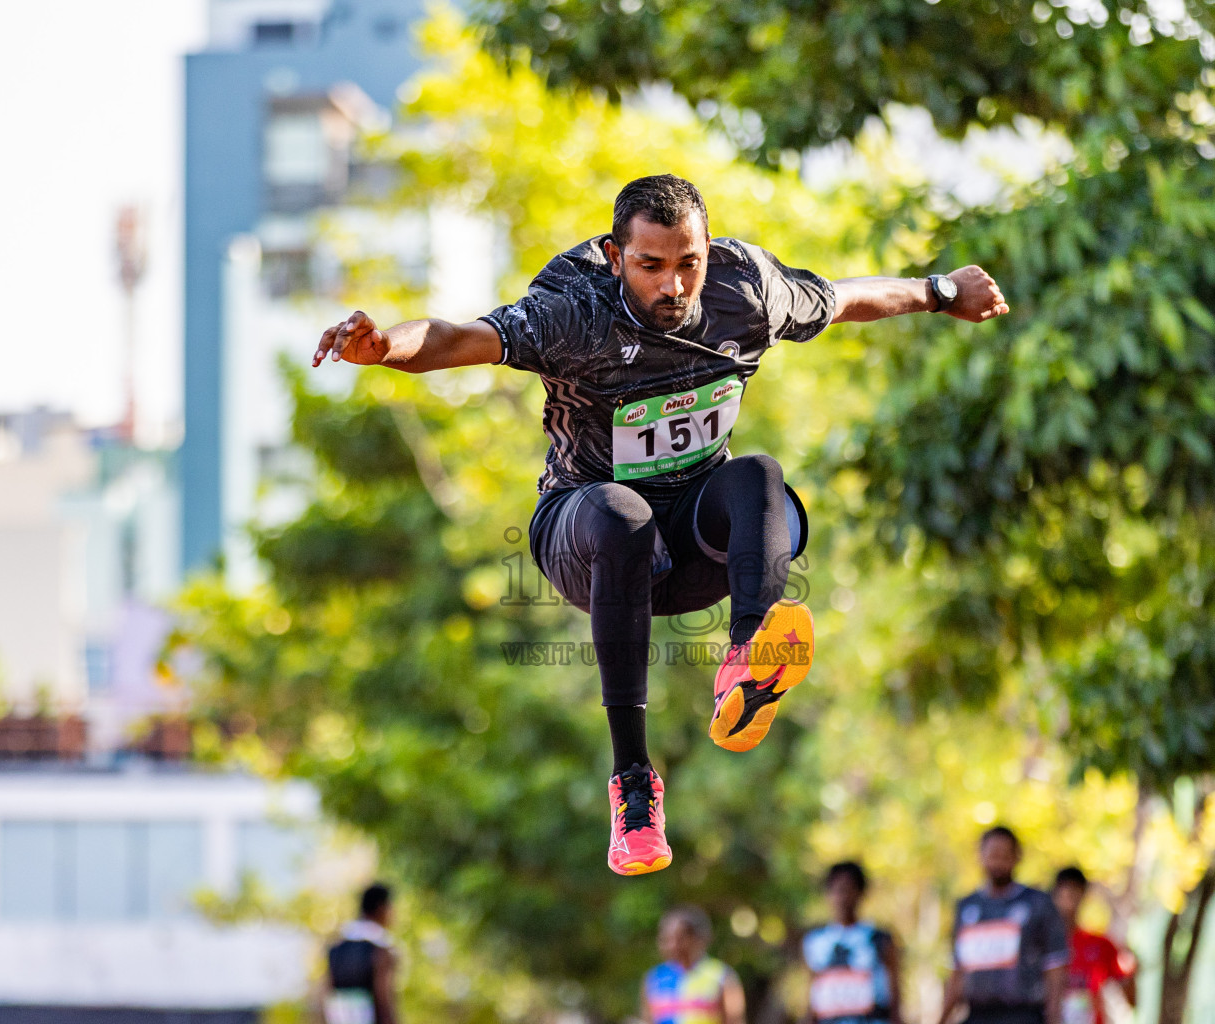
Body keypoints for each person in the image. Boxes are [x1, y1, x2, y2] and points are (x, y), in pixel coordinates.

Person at [314, 174, 1010, 875]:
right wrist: (384, 346)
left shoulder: (746, 288)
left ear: (708, 252)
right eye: (651, 266)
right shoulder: (574, 307)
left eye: (688, 264)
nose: (673, 287)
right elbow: (458, 338)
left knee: (757, 475)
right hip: (589, 540)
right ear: (615, 256)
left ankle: (748, 657)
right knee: (624, 514)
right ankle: (634, 790)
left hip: (695, 545)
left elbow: (843, 299)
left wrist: (941, 291)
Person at [939, 826, 1069, 1024]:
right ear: (980, 856)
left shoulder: (1037, 904)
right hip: (977, 1015)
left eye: (1005, 856)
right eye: (993, 855)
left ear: (1017, 857)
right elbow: (957, 972)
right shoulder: (966, 908)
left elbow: (1055, 967)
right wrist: (942, 1018)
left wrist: (1054, 1016)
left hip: (1023, 1014)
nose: (998, 862)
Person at [801, 861, 903, 1024]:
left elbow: (895, 995)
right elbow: (813, 997)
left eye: (848, 889)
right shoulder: (815, 941)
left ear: (861, 893)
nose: (843, 897)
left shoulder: (879, 939)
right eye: (837, 890)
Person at [1050, 866, 1136, 1024]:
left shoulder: (1100, 944)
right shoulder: (1040, 945)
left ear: (1084, 895)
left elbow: (1130, 996)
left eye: (1075, 891)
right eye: (1064, 892)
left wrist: (1131, 970)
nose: (1069, 899)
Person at [643, 906, 746, 1024]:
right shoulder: (655, 978)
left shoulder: (721, 975)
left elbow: (734, 1020)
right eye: (666, 939)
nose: (672, 945)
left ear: (697, 938)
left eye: (679, 939)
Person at [321, 883, 400, 1024]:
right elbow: (384, 1003)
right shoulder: (381, 950)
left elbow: (324, 995)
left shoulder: (337, 948)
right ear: (381, 907)